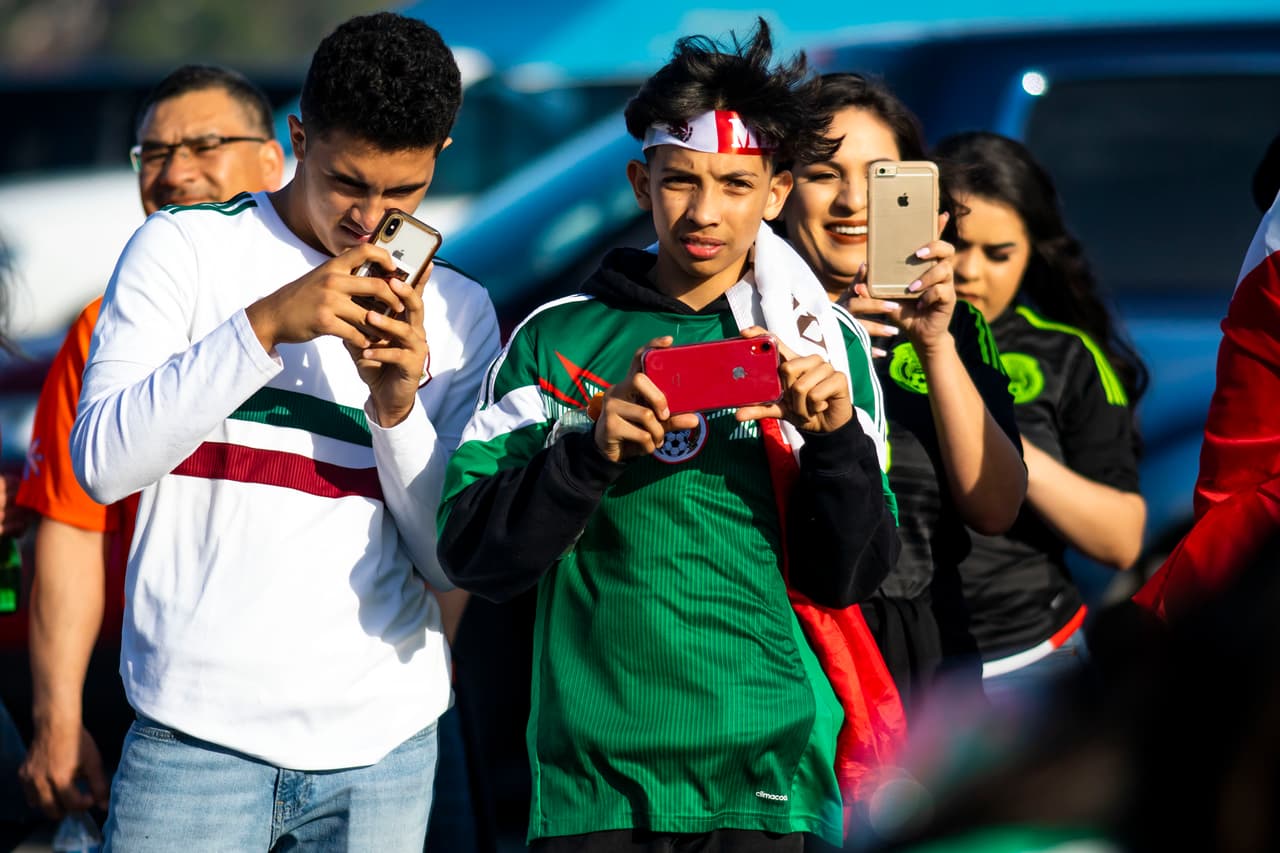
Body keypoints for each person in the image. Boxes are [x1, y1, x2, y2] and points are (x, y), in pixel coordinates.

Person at [438, 20, 901, 852]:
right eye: (680, 179)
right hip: (595, 788)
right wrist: (587, 450)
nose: (705, 210)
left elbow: (851, 577)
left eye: (735, 183)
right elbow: (474, 554)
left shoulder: (822, 344)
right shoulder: (556, 339)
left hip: (768, 781)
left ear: (776, 191)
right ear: (638, 180)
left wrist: (834, 442)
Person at [69, 12, 500, 851]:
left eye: (402, 192)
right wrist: (263, 326)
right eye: (345, 181)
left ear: (440, 156)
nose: (370, 218)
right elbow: (103, 465)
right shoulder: (182, 250)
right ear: (297, 135)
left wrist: (397, 408)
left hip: (385, 748)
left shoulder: (459, 309)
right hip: (192, 742)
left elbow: (446, 559)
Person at [15, 63, 285, 823]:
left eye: (204, 144)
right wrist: (58, 717)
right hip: (155, 706)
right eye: (153, 154)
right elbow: (70, 525)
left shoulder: (339, 307)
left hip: (350, 718)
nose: (174, 172)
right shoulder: (104, 326)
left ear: (274, 158)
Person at [779, 74, 1025, 713]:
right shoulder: (752, 325)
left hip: (927, 659)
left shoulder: (956, 327)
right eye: (822, 173)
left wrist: (935, 344)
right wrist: (834, 342)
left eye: (881, 177)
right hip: (788, 658)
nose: (852, 202)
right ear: (779, 190)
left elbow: (995, 508)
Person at [933, 131, 1147, 702]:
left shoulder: (1069, 356)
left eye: (999, 253)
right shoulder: (865, 334)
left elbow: (1122, 539)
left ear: (1033, 252)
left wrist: (1005, 450)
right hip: (892, 666)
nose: (971, 270)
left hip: (1029, 661)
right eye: (955, 242)